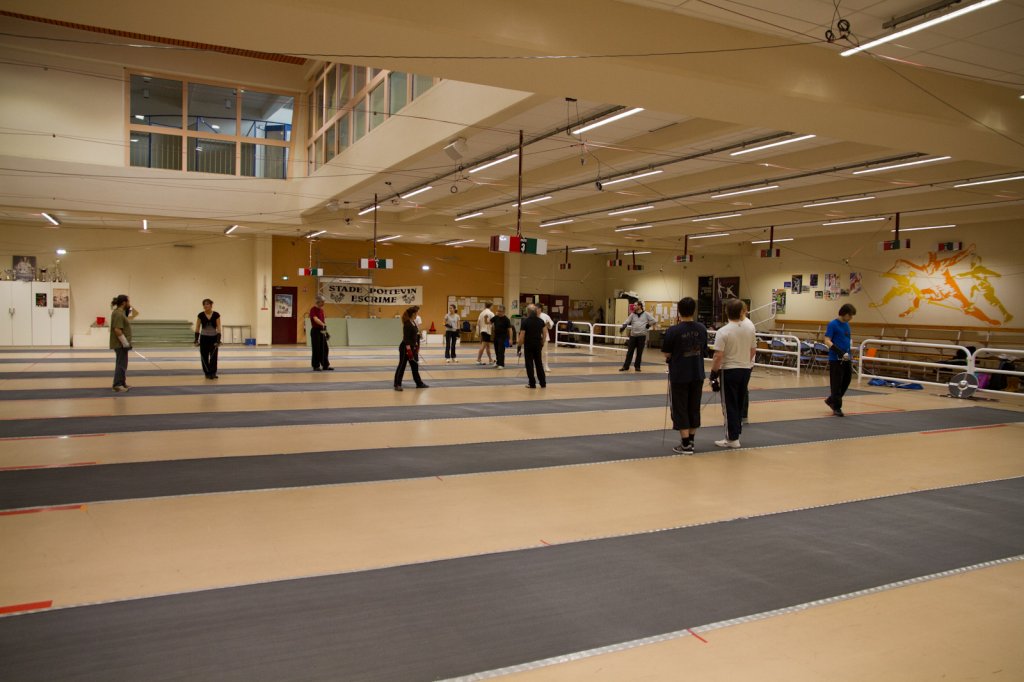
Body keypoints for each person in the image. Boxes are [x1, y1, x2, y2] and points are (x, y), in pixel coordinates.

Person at [662, 297, 708, 454]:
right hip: (697, 373)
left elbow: (667, 352)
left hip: (680, 374)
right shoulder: (702, 328)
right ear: (693, 310)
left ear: (679, 311)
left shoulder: (673, 330)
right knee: (694, 406)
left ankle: (686, 443)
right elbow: (704, 349)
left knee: (680, 407)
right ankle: (691, 441)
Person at [709, 298, 756, 448]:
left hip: (729, 370)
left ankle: (732, 438)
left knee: (729, 404)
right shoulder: (750, 328)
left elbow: (718, 355)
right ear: (742, 312)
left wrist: (713, 374)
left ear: (726, 312)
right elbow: (753, 350)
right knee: (739, 402)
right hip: (745, 370)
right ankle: (735, 433)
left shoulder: (723, 331)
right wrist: (744, 362)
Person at [824, 303, 857, 417]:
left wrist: (848, 353)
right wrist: (839, 352)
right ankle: (836, 407)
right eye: (850, 315)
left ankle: (831, 400)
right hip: (836, 358)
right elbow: (827, 340)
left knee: (847, 380)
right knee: (836, 383)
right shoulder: (833, 324)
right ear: (844, 313)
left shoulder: (847, 325)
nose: (851, 318)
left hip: (847, 357)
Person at [394, 306, 428, 391]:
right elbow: (406, 340)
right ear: (413, 314)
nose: (417, 315)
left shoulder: (413, 322)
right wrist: (409, 351)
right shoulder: (407, 324)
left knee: (415, 366)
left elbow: (414, 336)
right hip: (405, 348)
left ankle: (419, 383)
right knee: (402, 365)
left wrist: (416, 346)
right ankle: (397, 384)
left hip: (412, 348)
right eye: (417, 313)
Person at [619, 301, 656, 372]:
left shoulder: (646, 314)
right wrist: (623, 326)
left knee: (639, 352)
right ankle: (626, 366)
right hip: (633, 336)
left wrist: (648, 325)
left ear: (639, 306)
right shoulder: (632, 314)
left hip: (641, 336)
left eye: (635, 305)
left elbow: (654, 320)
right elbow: (627, 321)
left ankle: (637, 366)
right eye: (634, 305)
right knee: (630, 352)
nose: (634, 307)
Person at [517, 304, 547, 389]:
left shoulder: (525, 322)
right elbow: (545, 333)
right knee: (539, 363)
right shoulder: (541, 321)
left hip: (528, 345)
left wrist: (519, 346)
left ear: (528, 312)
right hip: (537, 345)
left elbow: (522, 336)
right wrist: (542, 343)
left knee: (529, 364)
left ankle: (532, 383)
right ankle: (543, 383)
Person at [109, 294, 133, 392]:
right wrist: (125, 343)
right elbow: (117, 330)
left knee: (123, 364)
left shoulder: (121, 313)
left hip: (122, 344)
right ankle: (117, 385)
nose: (129, 304)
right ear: (124, 303)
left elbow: (132, 313)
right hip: (120, 344)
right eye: (128, 302)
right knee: (121, 364)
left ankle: (122, 383)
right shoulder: (118, 314)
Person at [194, 298, 222, 379]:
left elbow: (218, 328)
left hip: (213, 338)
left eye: (207, 304)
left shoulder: (216, 315)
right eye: (204, 304)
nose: (206, 306)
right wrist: (196, 339)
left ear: (211, 305)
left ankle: (213, 372)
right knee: (204, 356)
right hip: (204, 338)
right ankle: (207, 372)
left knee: (213, 356)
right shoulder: (200, 315)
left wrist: (218, 340)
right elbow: (197, 327)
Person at [739, 301, 757, 423]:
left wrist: (746, 362)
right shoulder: (739, 323)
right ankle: (741, 414)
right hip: (742, 361)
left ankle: (743, 414)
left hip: (745, 362)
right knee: (741, 388)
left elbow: (752, 348)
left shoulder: (747, 325)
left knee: (742, 389)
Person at [309, 295, 333, 371]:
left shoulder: (322, 310)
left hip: (321, 331)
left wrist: (326, 332)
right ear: (318, 302)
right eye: (322, 302)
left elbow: (323, 322)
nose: (323, 303)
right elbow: (315, 319)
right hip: (315, 331)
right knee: (316, 349)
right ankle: (316, 366)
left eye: (324, 302)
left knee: (325, 348)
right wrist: (323, 324)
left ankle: (325, 365)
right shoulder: (313, 309)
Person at [491, 304, 513, 369]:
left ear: (503, 311)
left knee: (501, 350)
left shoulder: (506, 319)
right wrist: (485, 318)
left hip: (503, 337)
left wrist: (510, 339)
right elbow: (489, 322)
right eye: (498, 311)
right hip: (496, 336)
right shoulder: (496, 317)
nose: (498, 312)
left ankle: (501, 364)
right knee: (496, 350)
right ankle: (498, 362)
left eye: (500, 311)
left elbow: (510, 330)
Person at [537, 303, 555, 372]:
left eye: (538, 308)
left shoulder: (545, 316)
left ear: (540, 309)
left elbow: (551, 325)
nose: (537, 310)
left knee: (544, 352)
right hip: (534, 336)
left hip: (544, 337)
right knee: (534, 352)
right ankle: (535, 365)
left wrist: (548, 324)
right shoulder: (532, 316)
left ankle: (546, 366)